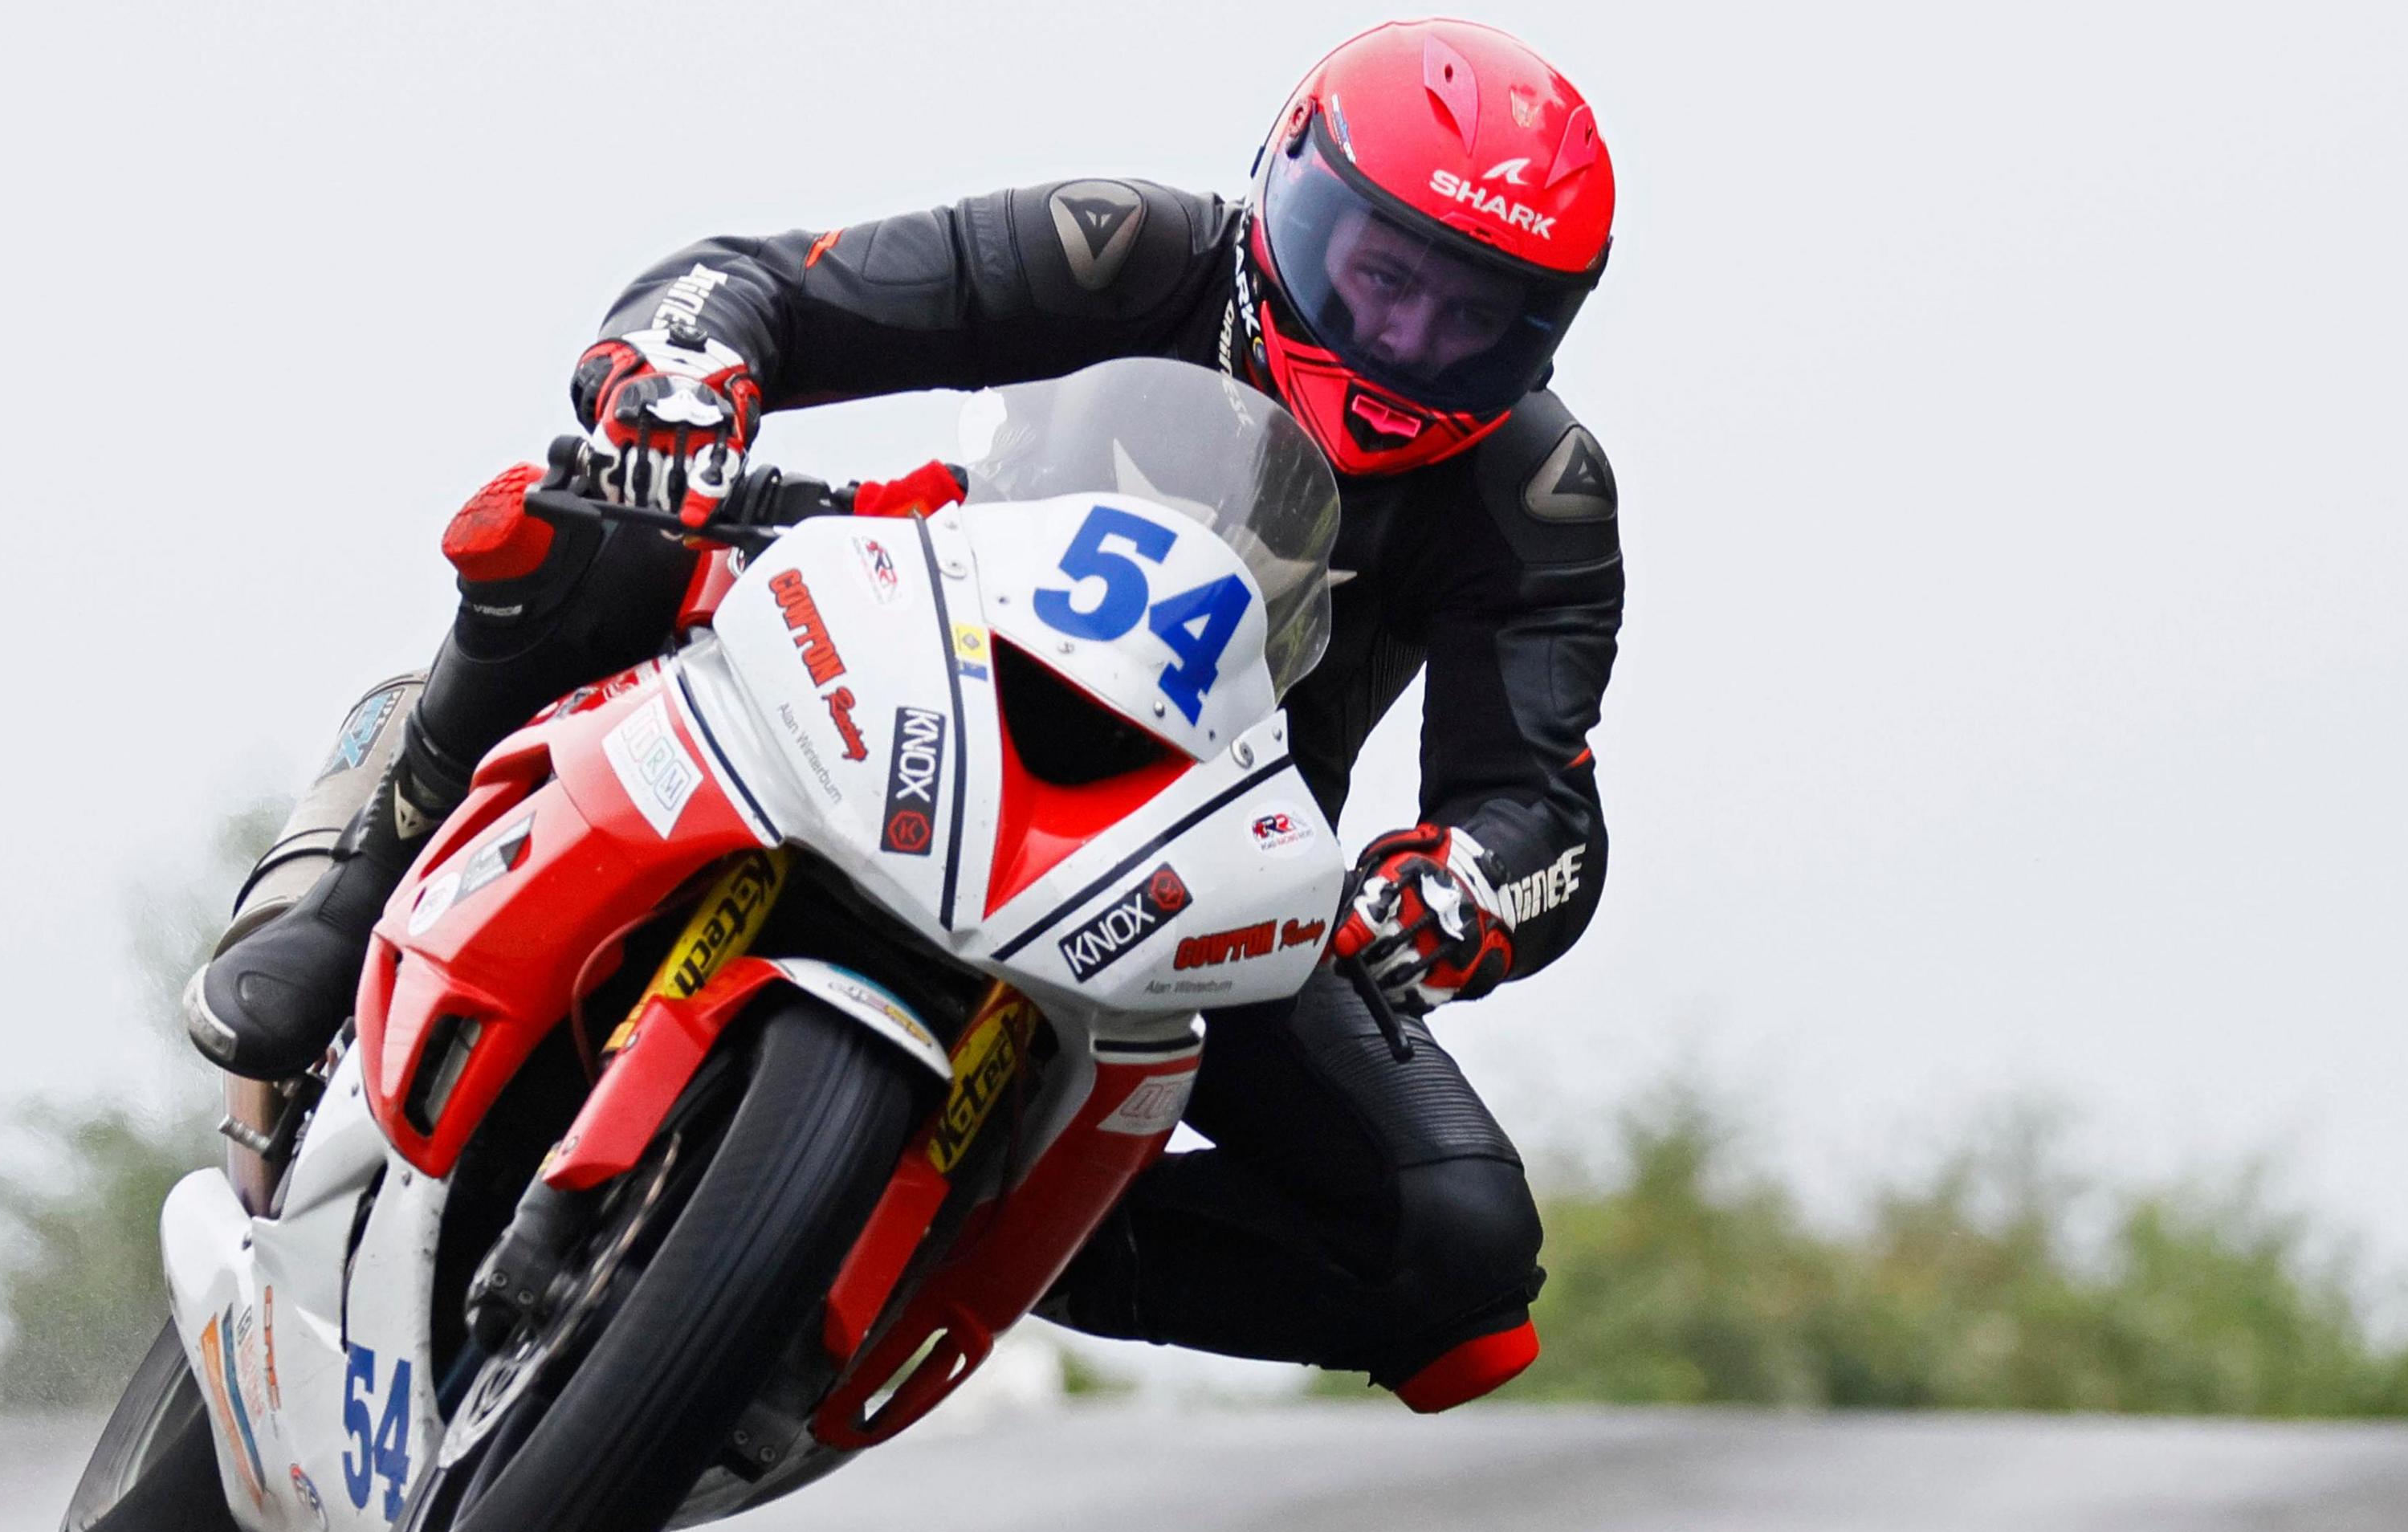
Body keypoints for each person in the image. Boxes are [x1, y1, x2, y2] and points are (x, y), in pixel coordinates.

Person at [188, 18, 1623, 1412]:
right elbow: (755, 283)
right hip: (898, 651)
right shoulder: (1120, 245)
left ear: (1542, 334)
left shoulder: (1540, 503)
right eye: (1380, 274)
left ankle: (976, 1240)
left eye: (1470, 316)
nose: (1406, 335)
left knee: (1461, 1257)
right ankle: (347, 881)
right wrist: (685, 377)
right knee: (576, 533)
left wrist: (1464, 887)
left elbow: (1539, 805)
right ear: (1290, 200)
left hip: (1187, 858)